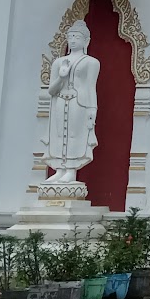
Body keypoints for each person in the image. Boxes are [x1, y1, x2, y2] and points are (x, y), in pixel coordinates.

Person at [44, 20, 100, 183]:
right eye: (70, 37)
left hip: (79, 103)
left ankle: (71, 170)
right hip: (60, 101)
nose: (73, 40)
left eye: (77, 37)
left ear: (86, 41)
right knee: (60, 133)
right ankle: (59, 169)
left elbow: (90, 87)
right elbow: (51, 90)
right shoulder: (58, 62)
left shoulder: (91, 63)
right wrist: (62, 77)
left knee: (75, 134)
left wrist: (92, 110)